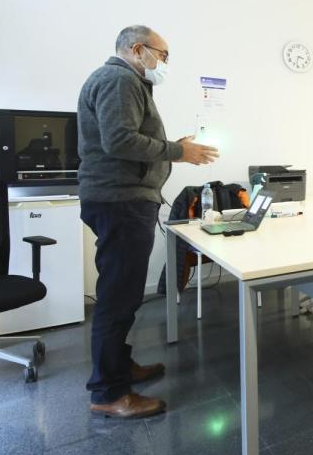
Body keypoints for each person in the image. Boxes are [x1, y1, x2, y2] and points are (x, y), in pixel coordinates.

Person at [78, 25, 219, 418]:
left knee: (122, 295)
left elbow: (126, 138)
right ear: (138, 49)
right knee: (118, 298)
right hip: (121, 201)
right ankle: (108, 392)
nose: (165, 62)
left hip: (123, 200)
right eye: (164, 54)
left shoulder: (126, 82)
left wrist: (177, 148)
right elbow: (119, 141)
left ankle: (120, 369)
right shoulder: (118, 79)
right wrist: (178, 151)